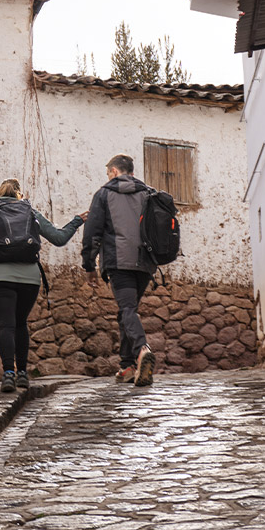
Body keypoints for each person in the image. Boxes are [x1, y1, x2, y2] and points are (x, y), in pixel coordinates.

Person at [0, 179, 85, 392]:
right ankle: (23, 374)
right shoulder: (31, 213)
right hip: (30, 279)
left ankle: (8, 374)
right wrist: (76, 221)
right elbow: (59, 238)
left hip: (1, 278)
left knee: (6, 325)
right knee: (20, 323)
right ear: (19, 195)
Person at [82, 154, 157, 387]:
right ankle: (126, 366)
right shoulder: (149, 194)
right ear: (131, 172)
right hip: (145, 263)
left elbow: (92, 232)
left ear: (114, 171)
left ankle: (142, 350)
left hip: (118, 262)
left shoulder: (104, 194)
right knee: (128, 311)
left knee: (126, 308)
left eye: (108, 172)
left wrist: (89, 265)